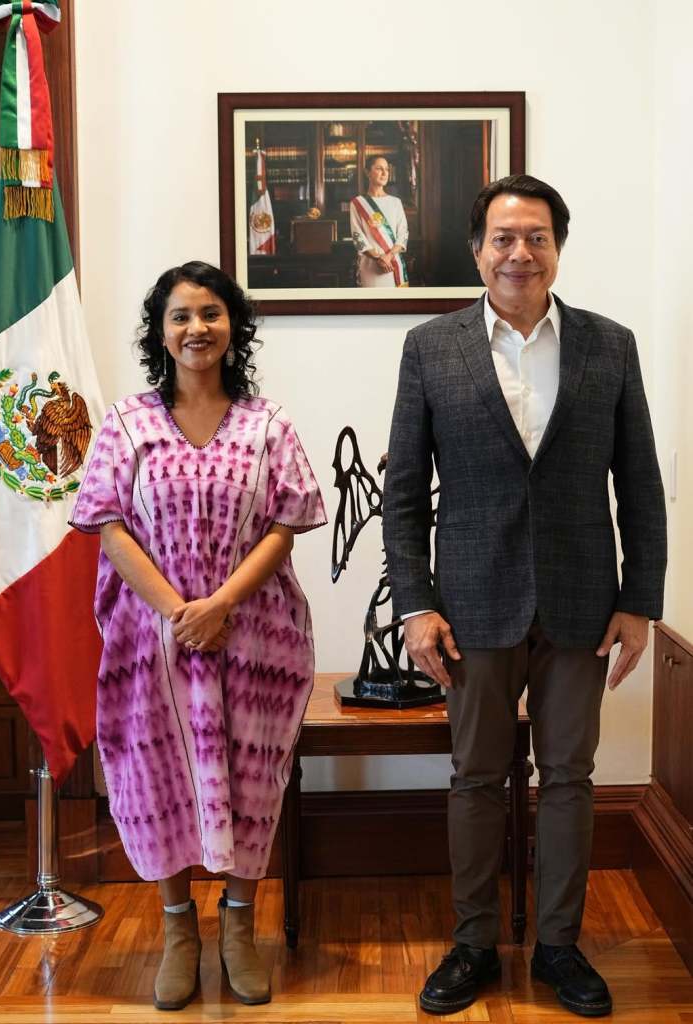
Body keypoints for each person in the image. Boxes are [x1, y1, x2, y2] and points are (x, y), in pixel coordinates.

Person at [382, 175, 666, 1018]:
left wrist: (640, 599)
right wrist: (416, 603)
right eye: (503, 237)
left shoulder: (608, 345)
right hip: (470, 604)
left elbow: (639, 486)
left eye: (536, 236)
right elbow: (403, 494)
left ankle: (558, 947)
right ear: (477, 251)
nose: (519, 252)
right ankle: (472, 945)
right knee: (476, 776)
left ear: (557, 248)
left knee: (570, 777)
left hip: (584, 599)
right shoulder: (432, 348)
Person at [70, 261, 326, 1011]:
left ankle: (240, 928)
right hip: (149, 638)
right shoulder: (126, 422)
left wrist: (220, 606)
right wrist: (180, 613)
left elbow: (287, 523)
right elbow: (106, 525)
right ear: (159, 330)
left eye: (211, 313)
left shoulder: (267, 423)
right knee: (158, 778)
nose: (196, 329)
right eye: (180, 315)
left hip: (255, 634)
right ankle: (178, 929)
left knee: (252, 777)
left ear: (234, 326)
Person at [350, 155, 409, 287]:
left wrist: (388, 257)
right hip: (371, 267)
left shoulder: (396, 202)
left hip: (392, 264)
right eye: (379, 168)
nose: (384, 173)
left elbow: (403, 233)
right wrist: (378, 258)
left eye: (387, 169)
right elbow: (357, 236)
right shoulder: (358, 203)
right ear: (367, 173)